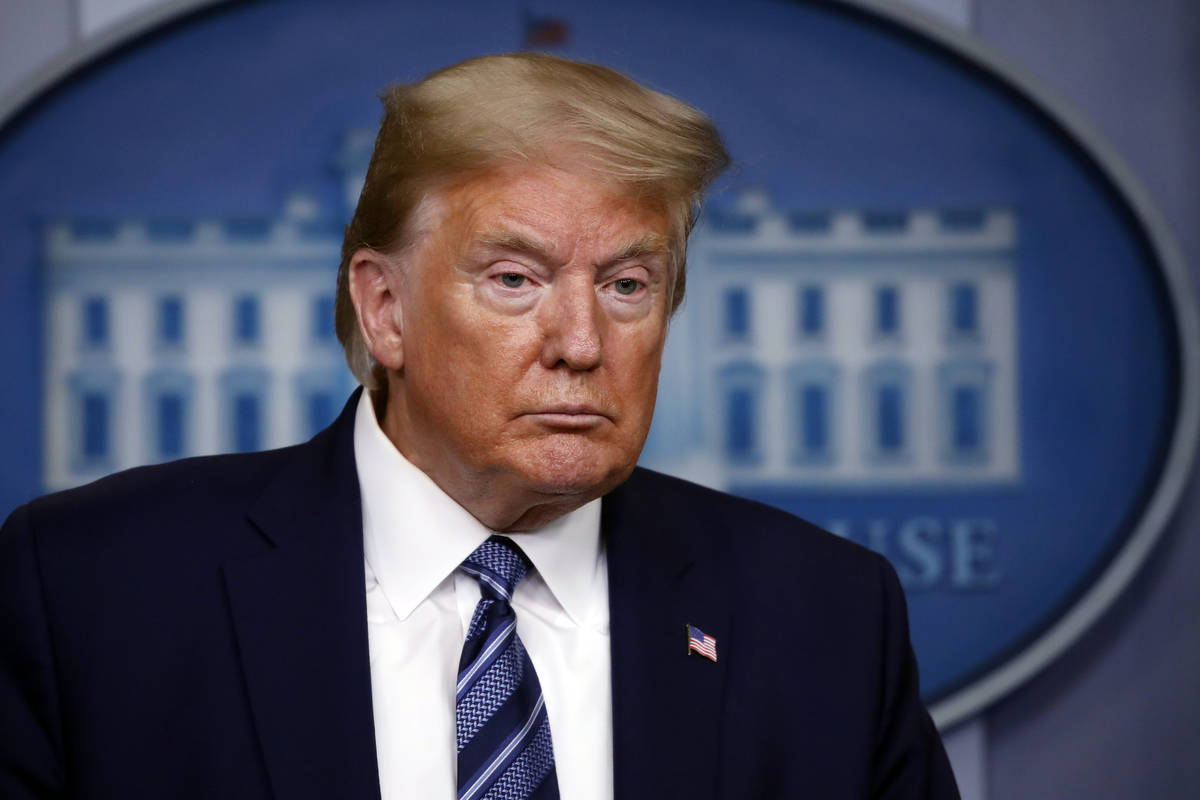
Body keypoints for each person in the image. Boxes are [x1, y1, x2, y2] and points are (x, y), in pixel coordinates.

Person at [0, 53, 958, 799]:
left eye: (628, 285)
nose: (581, 342)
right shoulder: (91, 588)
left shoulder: (826, 617)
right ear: (384, 310)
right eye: (515, 279)